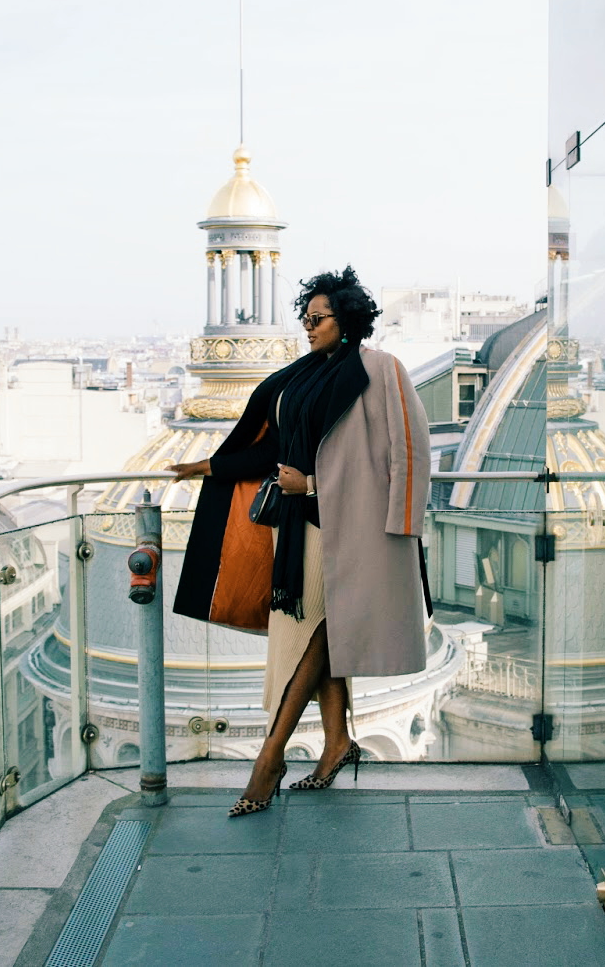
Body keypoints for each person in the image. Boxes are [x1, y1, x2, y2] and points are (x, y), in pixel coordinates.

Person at [166, 266, 432, 817]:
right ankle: (336, 744)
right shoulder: (302, 377)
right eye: (304, 319)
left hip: (359, 533)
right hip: (304, 530)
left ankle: (270, 758)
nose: (308, 327)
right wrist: (207, 466)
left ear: (347, 318)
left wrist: (322, 489)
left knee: (314, 638)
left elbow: (407, 454)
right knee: (318, 637)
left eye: (317, 318)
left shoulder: (381, 370)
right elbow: (273, 451)